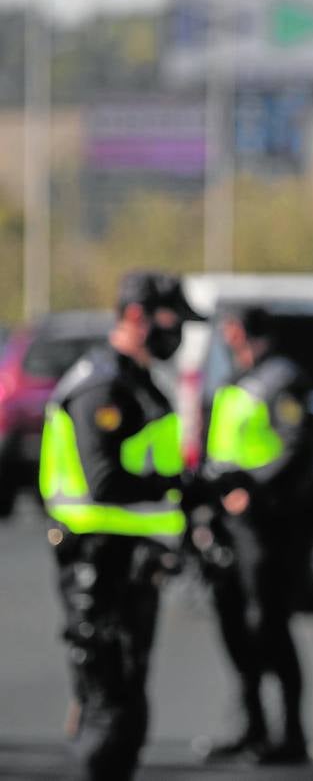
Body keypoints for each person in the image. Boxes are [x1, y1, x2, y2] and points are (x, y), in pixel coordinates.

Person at [38, 270, 200, 781]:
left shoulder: (137, 379)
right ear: (136, 316)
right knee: (108, 700)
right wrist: (174, 487)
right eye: (171, 321)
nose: (177, 334)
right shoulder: (103, 384)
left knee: (127, 696)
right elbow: (103, 480)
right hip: (97, 557)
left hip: (131, 555)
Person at [199, 305, 313, 764]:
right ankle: (253, 726)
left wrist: (256, 490)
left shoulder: (280, 380)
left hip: (264, 523)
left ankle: (291, 734)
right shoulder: (236, 381)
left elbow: (297, 444)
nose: (229, 343)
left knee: (269, 625)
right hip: (226, 521)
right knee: (233, 626)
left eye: (235, 334)